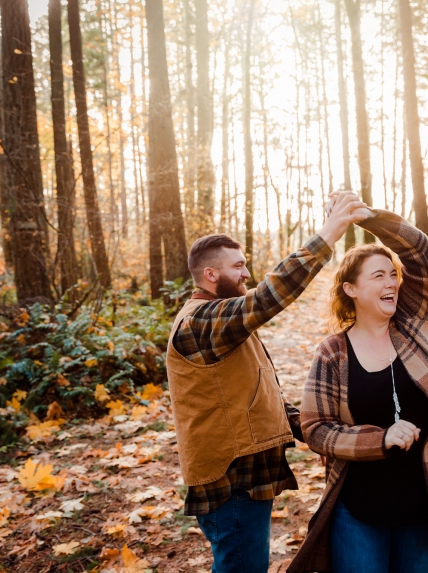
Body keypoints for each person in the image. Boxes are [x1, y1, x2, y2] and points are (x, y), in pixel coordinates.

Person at [165, 191, 370, 573]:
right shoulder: (200, 322)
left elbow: (257, 393)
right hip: (231, 480)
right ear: (211, 275)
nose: (246, 273)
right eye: (238, 266)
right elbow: (267, 299)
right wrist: (327, 234)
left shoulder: (222, 325)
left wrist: (311, 430)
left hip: (245, 475)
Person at [289, 207, 428, 573]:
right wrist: (379, 440)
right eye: (378, 276)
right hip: (359, 510)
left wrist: (365, 216)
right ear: (351, 289)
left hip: (424, 505)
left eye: (393, 274)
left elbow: (418, 250)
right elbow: (315, 429)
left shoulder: (416, 327)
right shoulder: (333, 353)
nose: (391, 283)